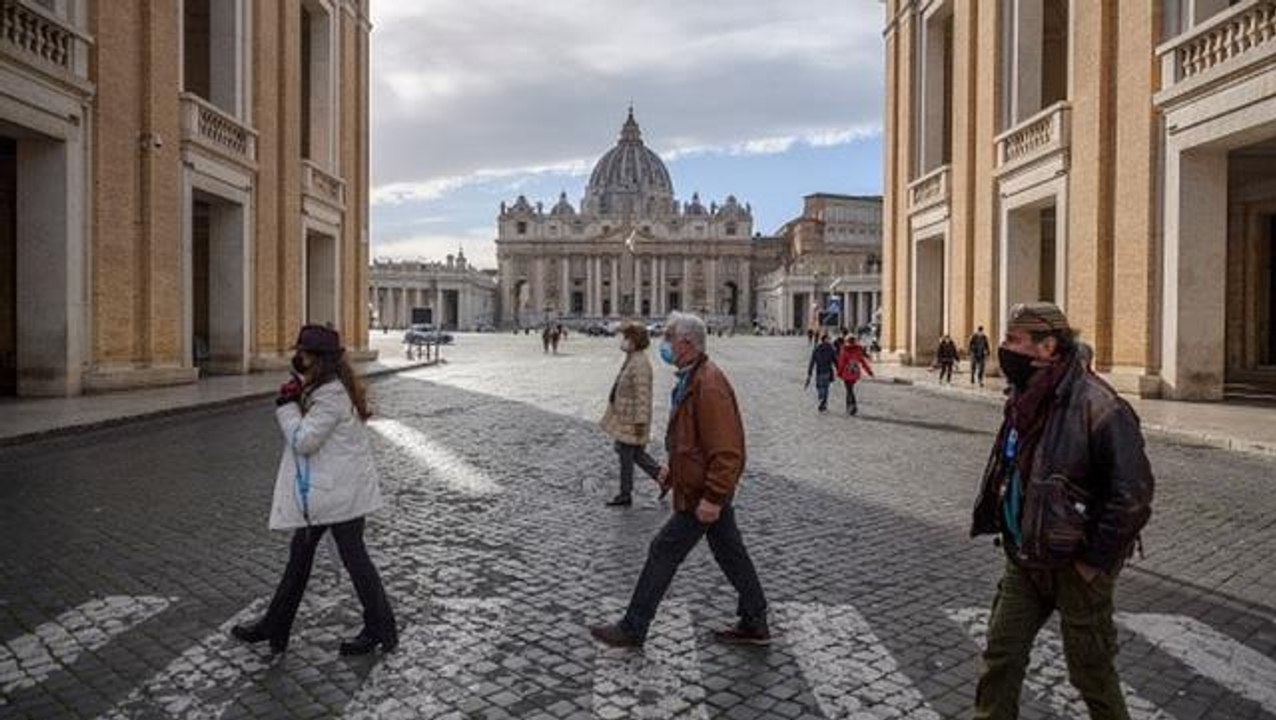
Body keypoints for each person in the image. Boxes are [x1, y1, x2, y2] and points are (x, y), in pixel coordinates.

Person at [969, 302, 1154, 720]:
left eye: (1014, 340)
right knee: (1001, 657)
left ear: (1047, 346)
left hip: (1077, 567)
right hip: (1024, 558)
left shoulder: (1100, 405)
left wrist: (1092, 562)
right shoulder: (1023, 398)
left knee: (1091, 673)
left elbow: (1133, 496)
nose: (1004, 347)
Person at [590, 312, 769, 648]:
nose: (664, 343)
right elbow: (692, 439)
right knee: (731, 553)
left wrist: (713, 497)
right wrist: (674, 469)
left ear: (686, 343)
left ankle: (634, 627)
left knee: (663, 550)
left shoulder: (708, 384)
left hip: (702, 492)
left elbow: (727, 450)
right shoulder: (693, 377)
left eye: (669, 337)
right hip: (698, 484)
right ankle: (755, 620)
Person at [232, 325, 397, 656]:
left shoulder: (330, 396)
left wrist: (287, 406)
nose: (298, 357)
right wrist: (300, 391)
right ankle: (277, 625)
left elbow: (304, 441)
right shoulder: (328, 389)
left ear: (318, 360)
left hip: (336, 495)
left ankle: (380, 627)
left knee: (352, 561)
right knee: (305, 557)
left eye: (303, 354)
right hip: (333, 492)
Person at [600, 322, 660, 507]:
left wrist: (640, 422)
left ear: (635, 340)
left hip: (632, 418)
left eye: (626, 337)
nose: (623, 341)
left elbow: (643, 396)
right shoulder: (633, 358)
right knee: (631, 453)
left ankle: (625, 494)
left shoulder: (640, 363)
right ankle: (662, 477)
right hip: (626, 415)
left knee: (626, 455)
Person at [836, 335, 875, 416]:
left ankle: (852, 405)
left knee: (849, 390)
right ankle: (849, 407)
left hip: (846, 373)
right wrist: (869, 372)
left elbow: (841, 363)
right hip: (855, 373)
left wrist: (839, 373)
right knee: (849, 389)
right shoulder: (858, 350)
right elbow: (863, 362)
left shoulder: (844, 350)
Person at [805, 333, 837, 412]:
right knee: (825, 388)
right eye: (828, 339)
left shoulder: (817, 348)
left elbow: (812, 362)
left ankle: (822, 399)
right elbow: (835, 360)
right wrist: (839, 369)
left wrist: (809, 373)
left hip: (819, 371)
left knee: (820, 387)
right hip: (827, 371)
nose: (829, 340)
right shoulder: (831, 348)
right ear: (825, 339)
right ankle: (823, 402)